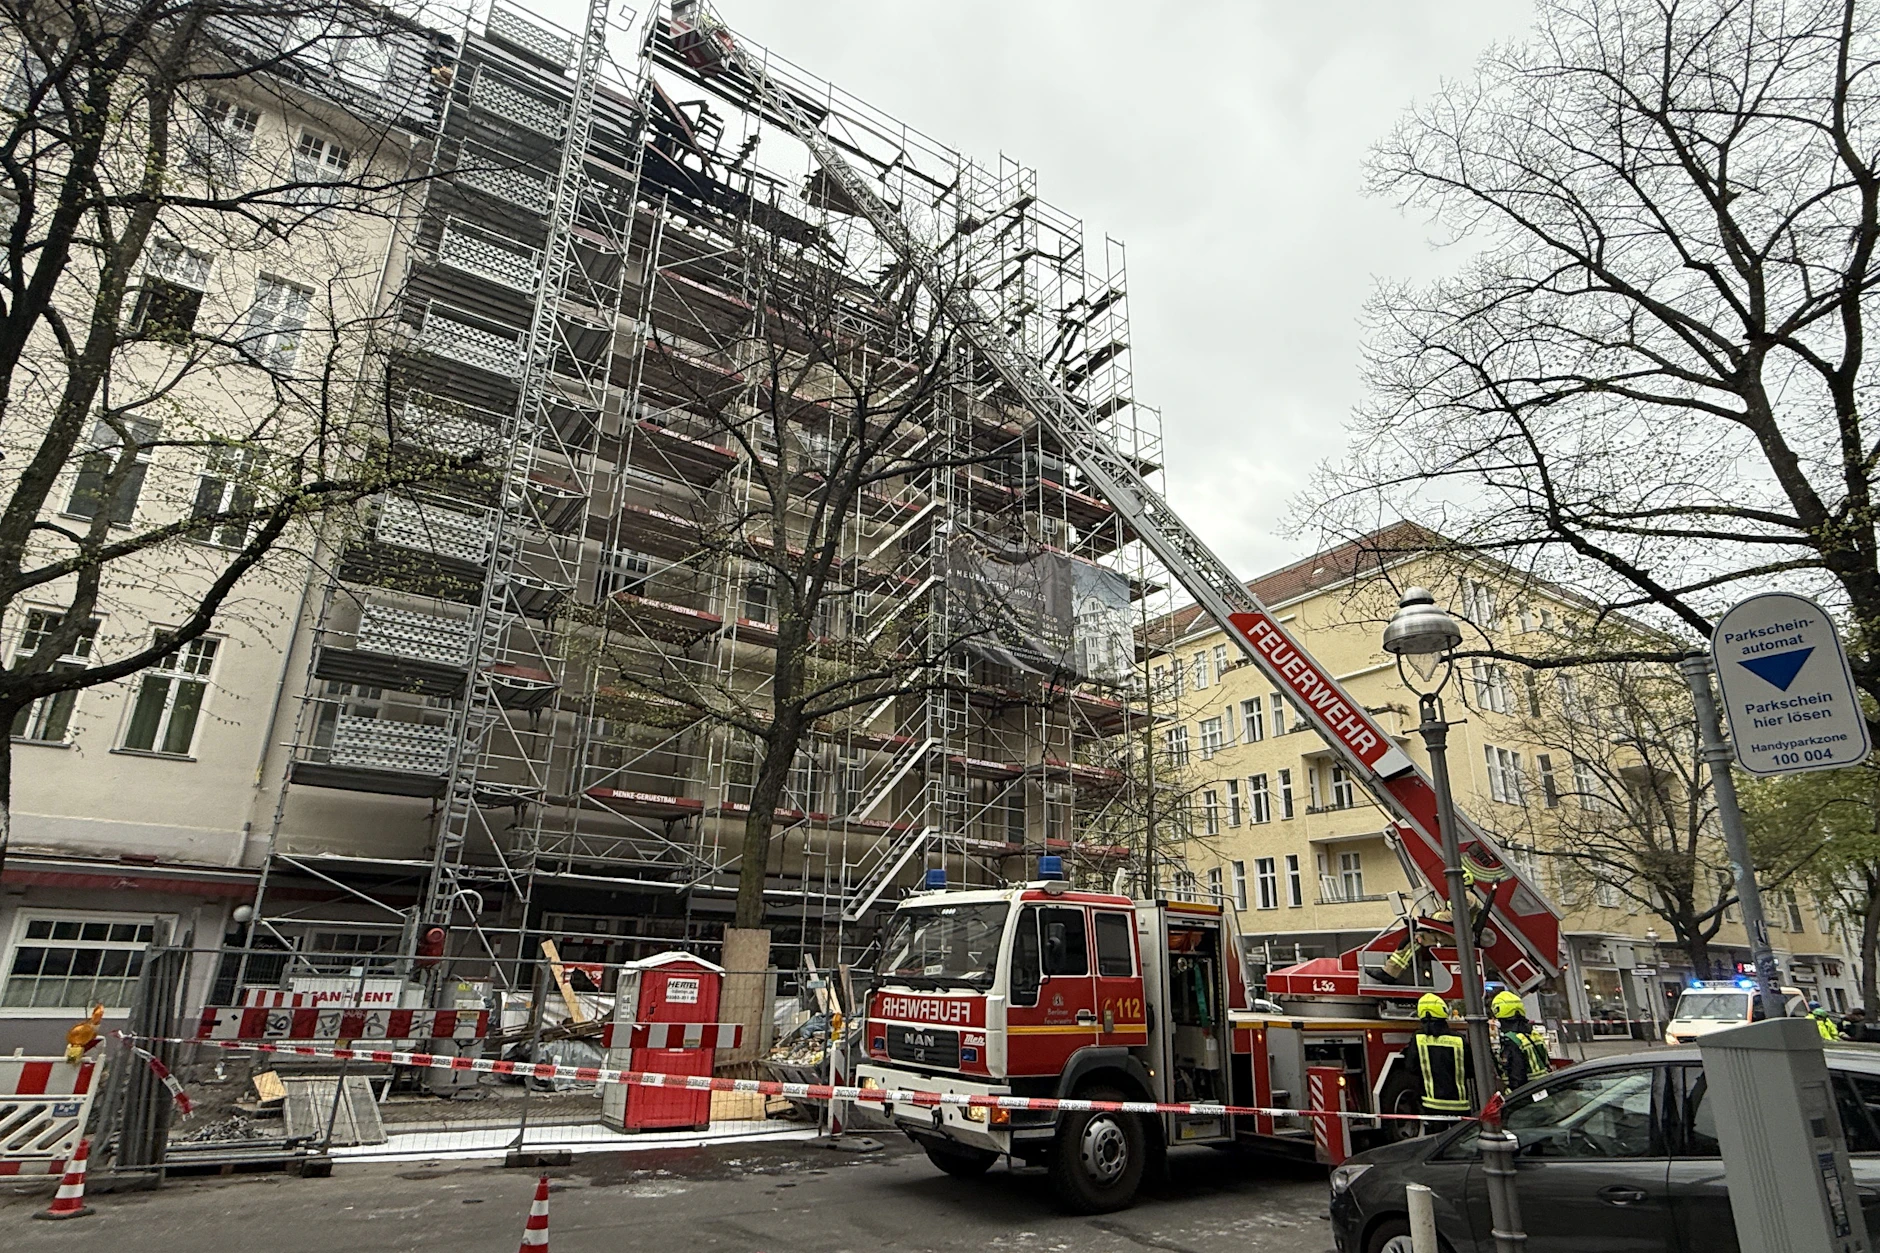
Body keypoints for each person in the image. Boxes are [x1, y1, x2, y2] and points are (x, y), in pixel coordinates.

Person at [1401, 992, 1473, 1129]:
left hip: (1431, 1106)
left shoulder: (1418, 1039)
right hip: (1459, 1105)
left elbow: (1410, 1067)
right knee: (1462, 1139)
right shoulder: (1459, 1039)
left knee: (1436, 1140)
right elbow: (1471, 1070)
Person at [1492, 990, 1549, 1091]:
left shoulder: (1511, 1040)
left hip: (1526, 1095)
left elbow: (1517, 1078)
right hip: (1543, 1088)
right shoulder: (1533, 1034)